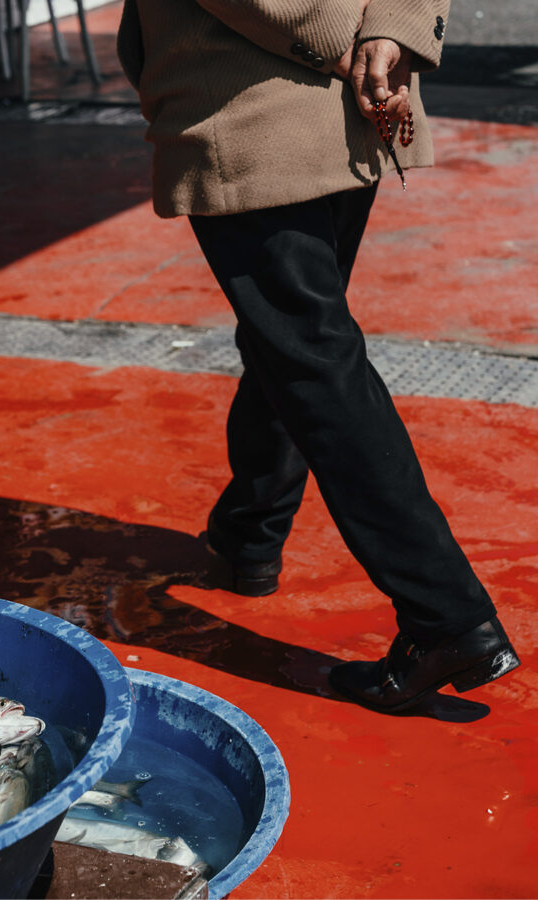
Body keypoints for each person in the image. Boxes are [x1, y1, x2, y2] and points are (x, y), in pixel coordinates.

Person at [116, 0, 520, 713]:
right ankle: (250, 534)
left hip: (253, 103)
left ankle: (447, 619)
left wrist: (348, 38)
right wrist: (390, 30)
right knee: (290, 339)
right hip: (356, 100)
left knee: (311, 356)